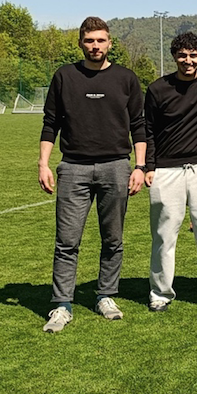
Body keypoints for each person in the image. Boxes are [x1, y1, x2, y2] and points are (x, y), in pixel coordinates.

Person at [38, 17, 146, 333]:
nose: (95, 46)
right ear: (80, 43)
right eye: (89, 40)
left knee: (113, 239)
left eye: (100, 40)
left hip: (116, 167)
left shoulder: (126, 78)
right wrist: (43, 163)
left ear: (110, 43)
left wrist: (140, 166)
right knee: (67, 241)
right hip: (74, 168)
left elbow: (139, 126)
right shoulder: (65, 76)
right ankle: (62, 304)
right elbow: (50, 123)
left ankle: (105, 296)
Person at [143, 31, 197, 312]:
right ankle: (160, 291)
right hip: (165, 170)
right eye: (182, 55)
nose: (188, 60)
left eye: (193, 55)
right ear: (174, 57)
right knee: (164, 233)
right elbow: (148, 131)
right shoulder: (158, 89)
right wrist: (148, 166)